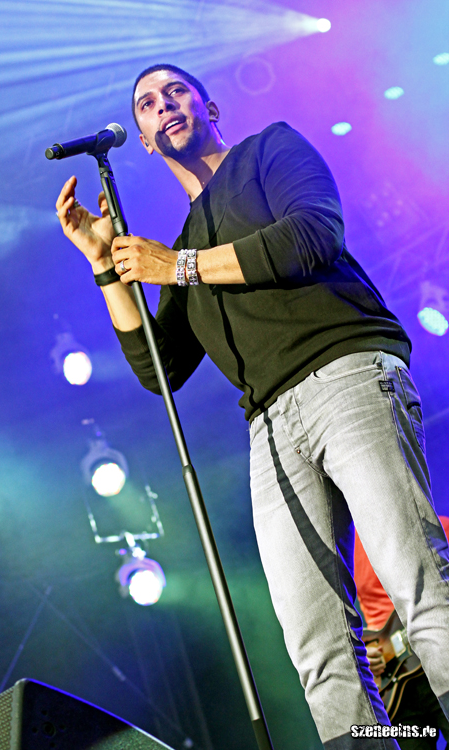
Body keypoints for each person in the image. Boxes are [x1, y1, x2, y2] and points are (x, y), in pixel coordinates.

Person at [55, 64, 449, 749]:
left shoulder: (271, 148)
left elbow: (311, 236)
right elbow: (159, 369)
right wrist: (104, 266)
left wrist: (178, 268)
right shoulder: (180, 245)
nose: (162, 105)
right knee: (317, 645)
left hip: (345, 372)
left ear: (208, 107)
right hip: (268, 427)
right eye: (147, 103)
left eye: (175, 91)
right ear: (143, 139)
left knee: (416, 580)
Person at [355, 521, 449, 750]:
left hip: (439, 660)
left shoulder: (436, 525)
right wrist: (365, 654)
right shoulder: (347, 545)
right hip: (391, 683)